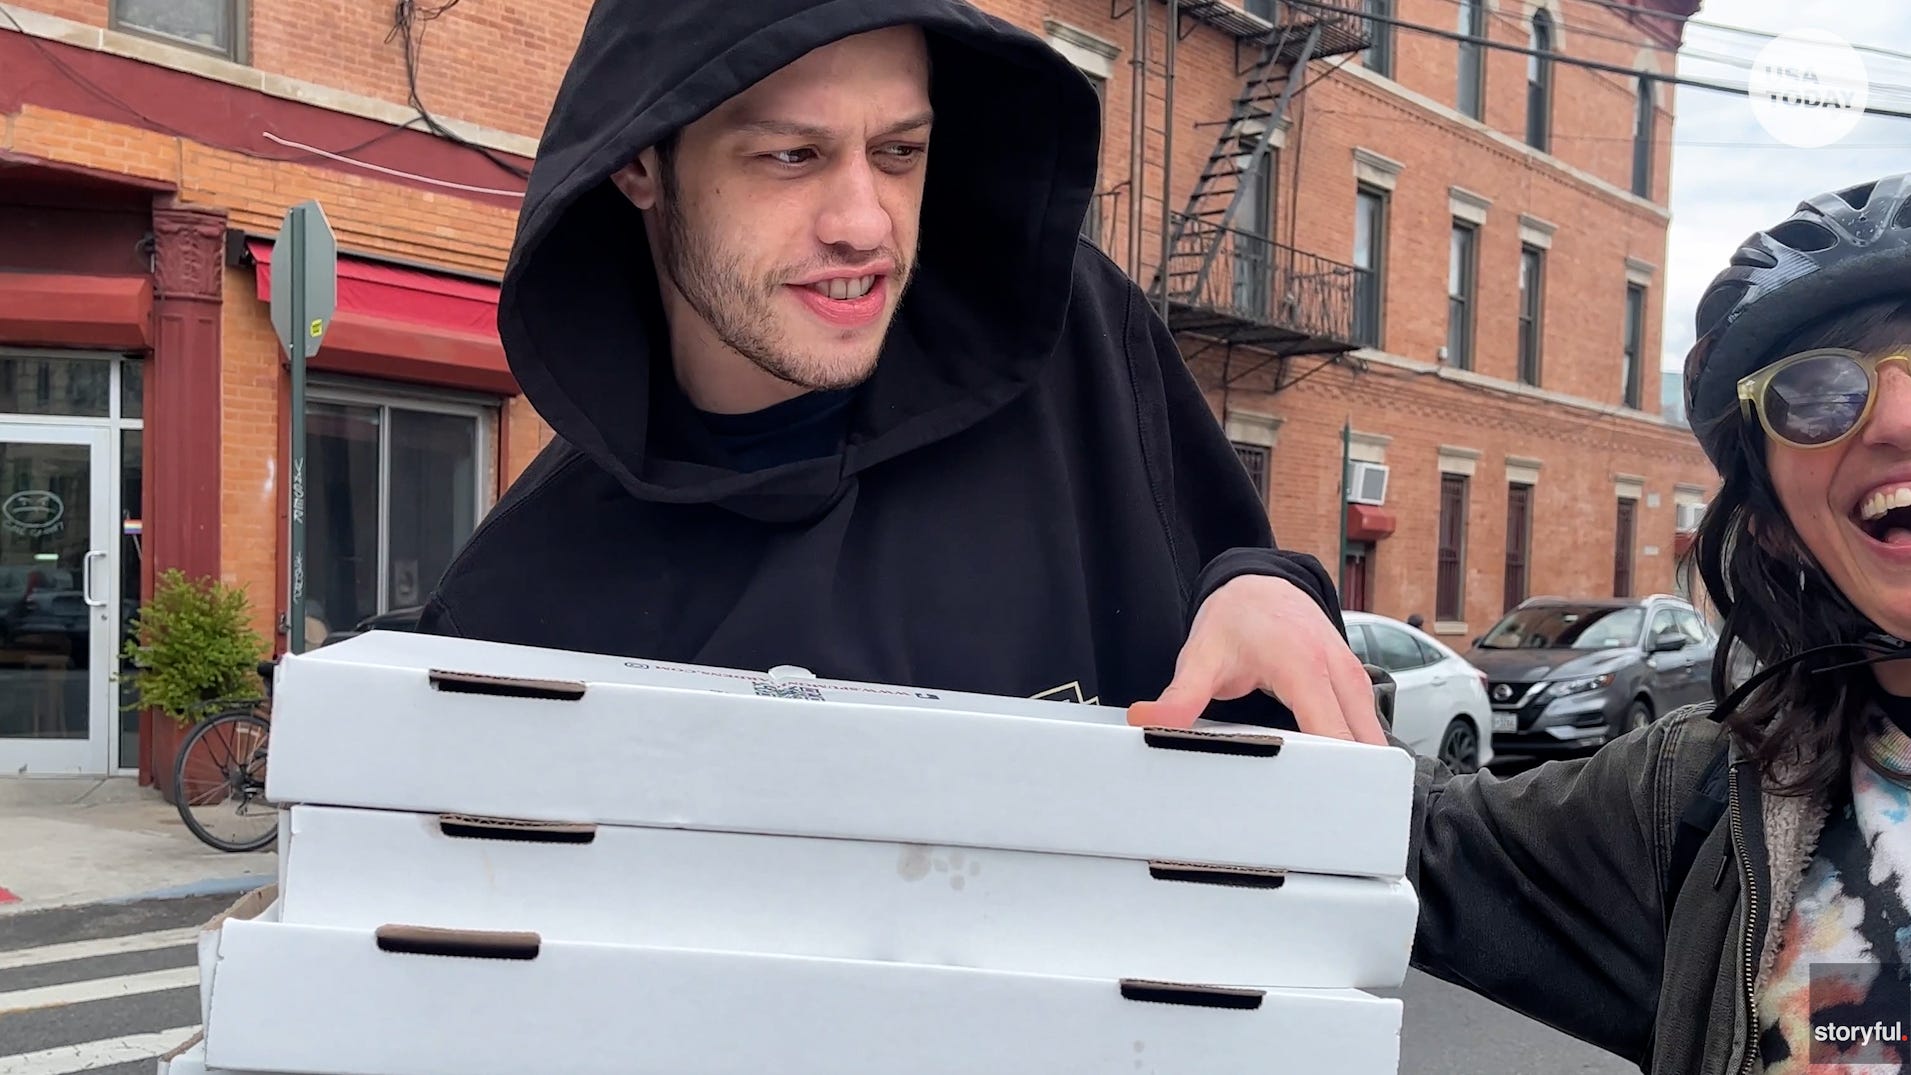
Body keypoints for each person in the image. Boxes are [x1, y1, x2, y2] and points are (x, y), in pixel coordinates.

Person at [415, 0, 1382, 740]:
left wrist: (1263, 587)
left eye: (898, 152)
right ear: (639, 166)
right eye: (792, 155)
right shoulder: (518, 606)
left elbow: (1225, 610)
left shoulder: (1072, 340)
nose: (865, 223)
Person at [1356, 173, 1911, 1075]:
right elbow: (1381, 831)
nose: (1894, 419)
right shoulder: (1701, 801)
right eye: (1813, 394)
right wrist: (1260, 588)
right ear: (1772, 522)